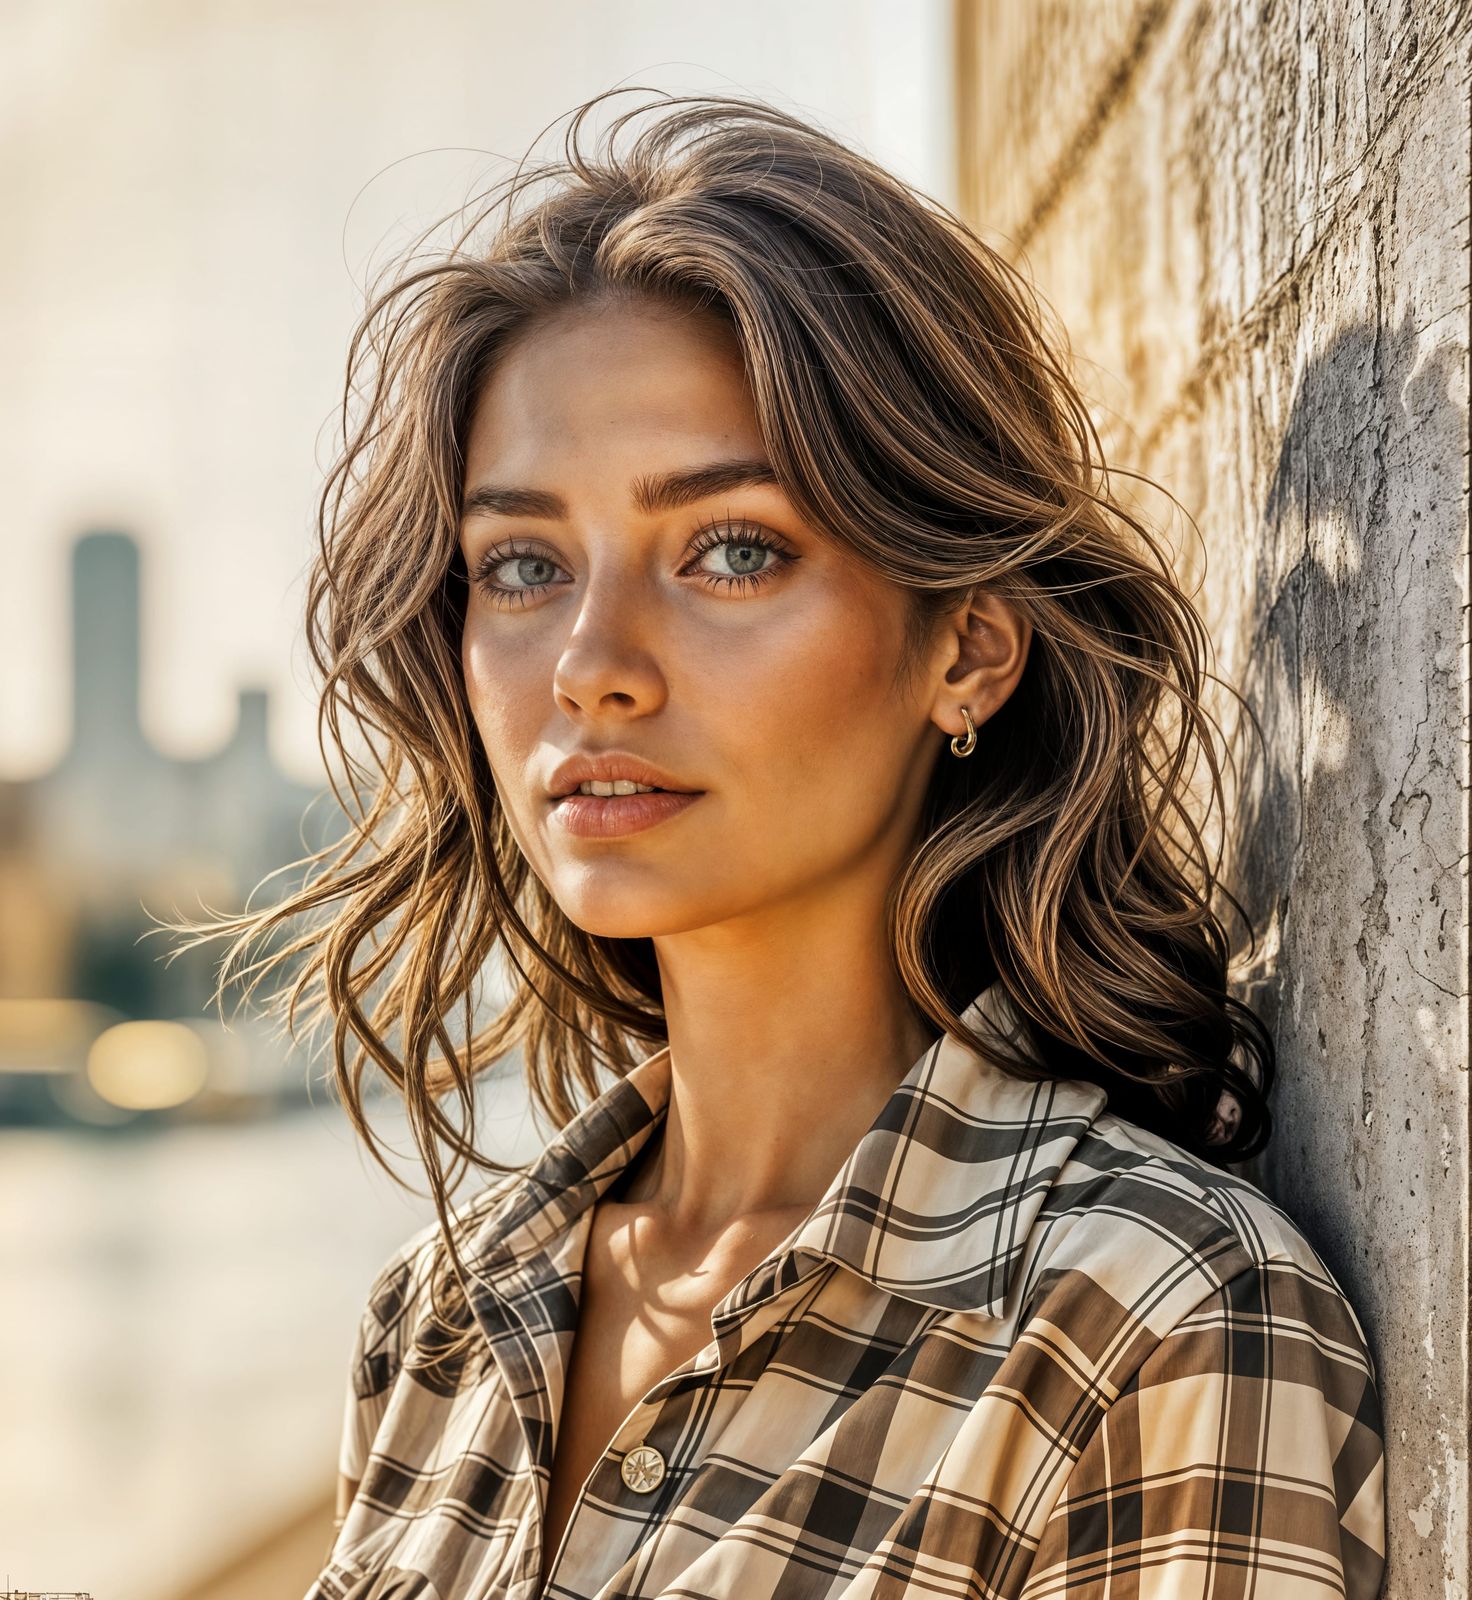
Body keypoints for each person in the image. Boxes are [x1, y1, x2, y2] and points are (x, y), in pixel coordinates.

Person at [174, 89, 1386, 1599]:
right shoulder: (437, 1324)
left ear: (970, 647)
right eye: (524, 564)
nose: (591, 664)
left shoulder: (1149, 1324)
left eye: (732, 550)